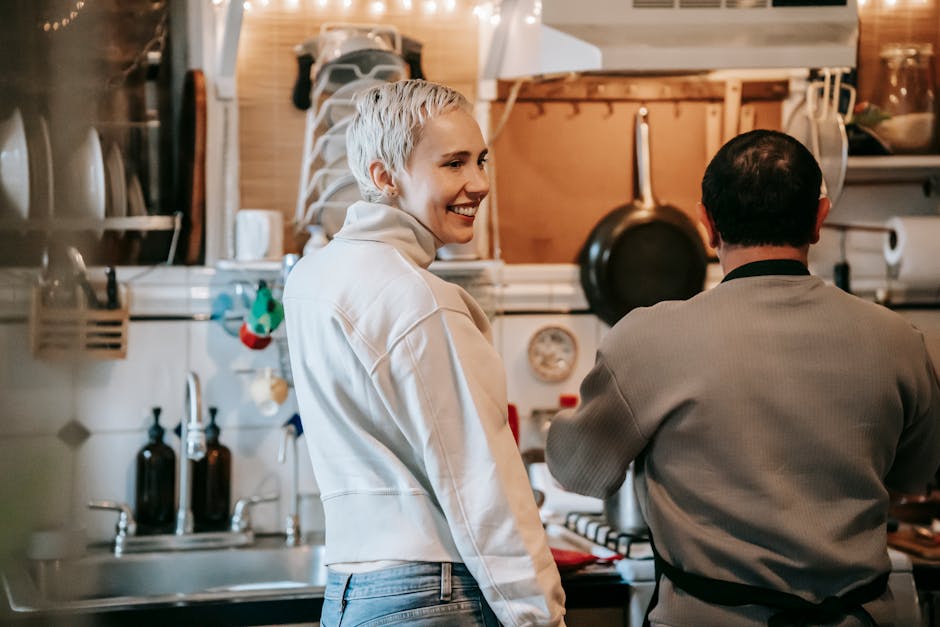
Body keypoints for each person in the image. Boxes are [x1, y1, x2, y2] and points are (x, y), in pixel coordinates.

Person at [545, 129, 940, 626]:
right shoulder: (900, 340)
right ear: (820, 218)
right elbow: (914, 477)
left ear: (707, 224)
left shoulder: (647, 340)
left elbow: (576, 469)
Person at [284, 80, 566, 627]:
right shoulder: (419, 299)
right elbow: (483, 482)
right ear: (384, 177)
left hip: (351, 594)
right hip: (432, 592)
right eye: (453, 164)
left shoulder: (312, 276)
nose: (479, 183)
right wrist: (540, 615)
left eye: (480, 160)